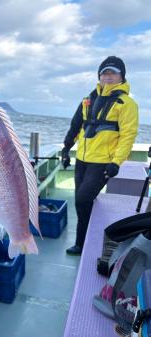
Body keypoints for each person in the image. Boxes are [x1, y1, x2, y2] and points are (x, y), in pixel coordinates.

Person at [62, 56, 139, 256]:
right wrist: (65, 149)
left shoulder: (126, 103)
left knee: (81, 200)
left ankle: (81, 242)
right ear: (99, 76)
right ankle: (87, 232)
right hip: (82, 160)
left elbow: (127, 135)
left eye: (113, 72)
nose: (108, 76)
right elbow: (76, 126)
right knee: (84, 199)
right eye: (105, 72)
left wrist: (116, 162)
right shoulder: (87, 100)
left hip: (102, 163)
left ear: (122, 76)